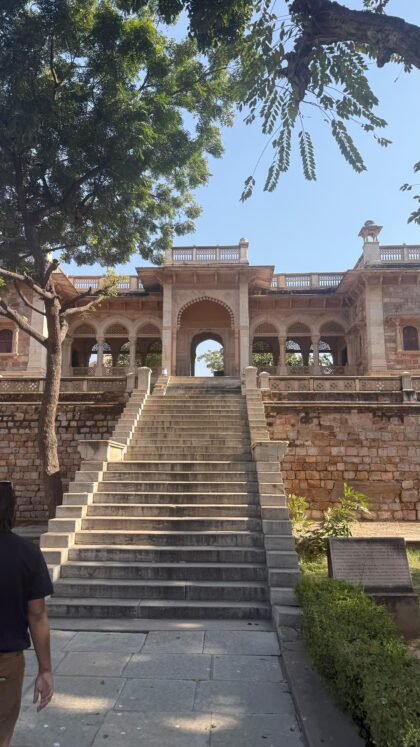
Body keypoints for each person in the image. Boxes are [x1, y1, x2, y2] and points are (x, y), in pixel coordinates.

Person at [0, 481, 54, 747]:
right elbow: (37, 615)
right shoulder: (27, 554)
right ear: (12, 510)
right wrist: (45, 668)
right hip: (5, 660)